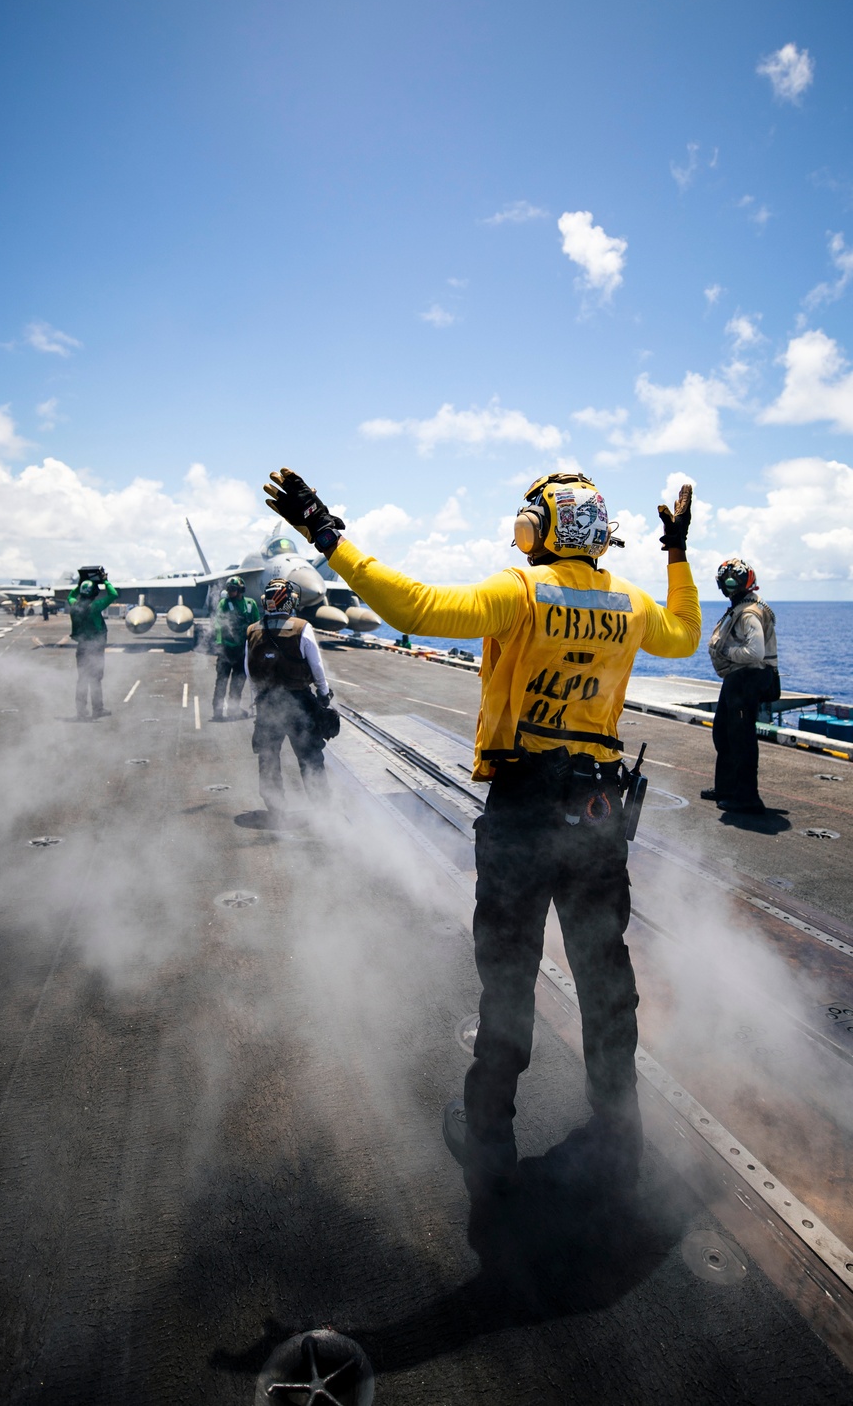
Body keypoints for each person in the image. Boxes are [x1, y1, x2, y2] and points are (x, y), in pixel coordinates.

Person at [264, 466, 700, 1194]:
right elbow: (685, 635)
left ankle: (491, 1135)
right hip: (598, 815)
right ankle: (619, 1131)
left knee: (509, 976)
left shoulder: (521, 591)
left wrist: (327, 536)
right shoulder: (630, 603)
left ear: (540, 528)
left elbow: (418, 606)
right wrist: (678, 551)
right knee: (605, 976)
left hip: (526, 807)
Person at [244, 578, 334, 820]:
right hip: (299, 705)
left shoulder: (252, 630)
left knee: (268, 756)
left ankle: (275, 807)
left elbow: (249, 670)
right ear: (287, 600)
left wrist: (257, 701)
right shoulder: (301, 627)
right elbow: (316, 666)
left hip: (267, 704)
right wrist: (323, 694)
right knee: (310, 756)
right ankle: (322, 809)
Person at [702, 558, 779, 815]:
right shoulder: (744, 606)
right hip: (737, 680)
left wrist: (727, 650)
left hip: (748, 679)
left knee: (741, 738)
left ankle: (747, 798)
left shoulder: (748, 613)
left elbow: (755, 652)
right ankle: (725, 788)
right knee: (724, 733)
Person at [67, 570, 119, 721]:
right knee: (95, 679)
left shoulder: (74, 605)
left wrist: (79, 584)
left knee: (82, 679)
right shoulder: (95, 607)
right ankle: (98, 709)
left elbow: (70, 596)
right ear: (94, 593)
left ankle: (81, 712)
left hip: (82, 647)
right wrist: (105, 581)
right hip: (95, 648)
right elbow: (113, 594)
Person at [211, 575, 260, 720]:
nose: (230, 592)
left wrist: (256, 646)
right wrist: (219, 643)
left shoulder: (251, 604)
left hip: (243, 651)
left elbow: (256, 626)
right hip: (226, 650)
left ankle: (233, 710)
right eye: (229, 589)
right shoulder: (224, 604)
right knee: (221, 682)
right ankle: (218, 712)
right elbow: (218, 622)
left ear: (240, 590)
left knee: (237, 684)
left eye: (233, 589)